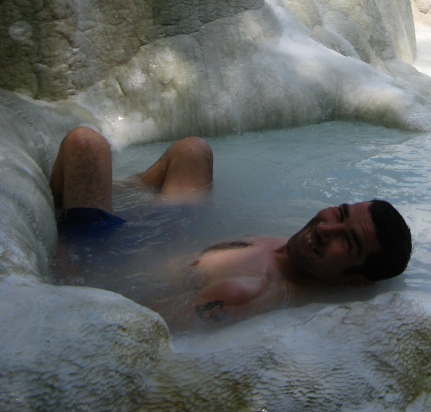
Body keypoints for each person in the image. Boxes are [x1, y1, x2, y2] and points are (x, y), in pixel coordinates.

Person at [51, 127, 412, 324]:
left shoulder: (247, 291)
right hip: (163, 236)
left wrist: (70, 260)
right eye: (340, 213)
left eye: (346, 242)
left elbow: (138, 326)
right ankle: (108, 192)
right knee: (193, 150)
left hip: (100, 258)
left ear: (354, 280)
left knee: (86, 145)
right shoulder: (294, 248)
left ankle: (82, 196)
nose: (326, 228)